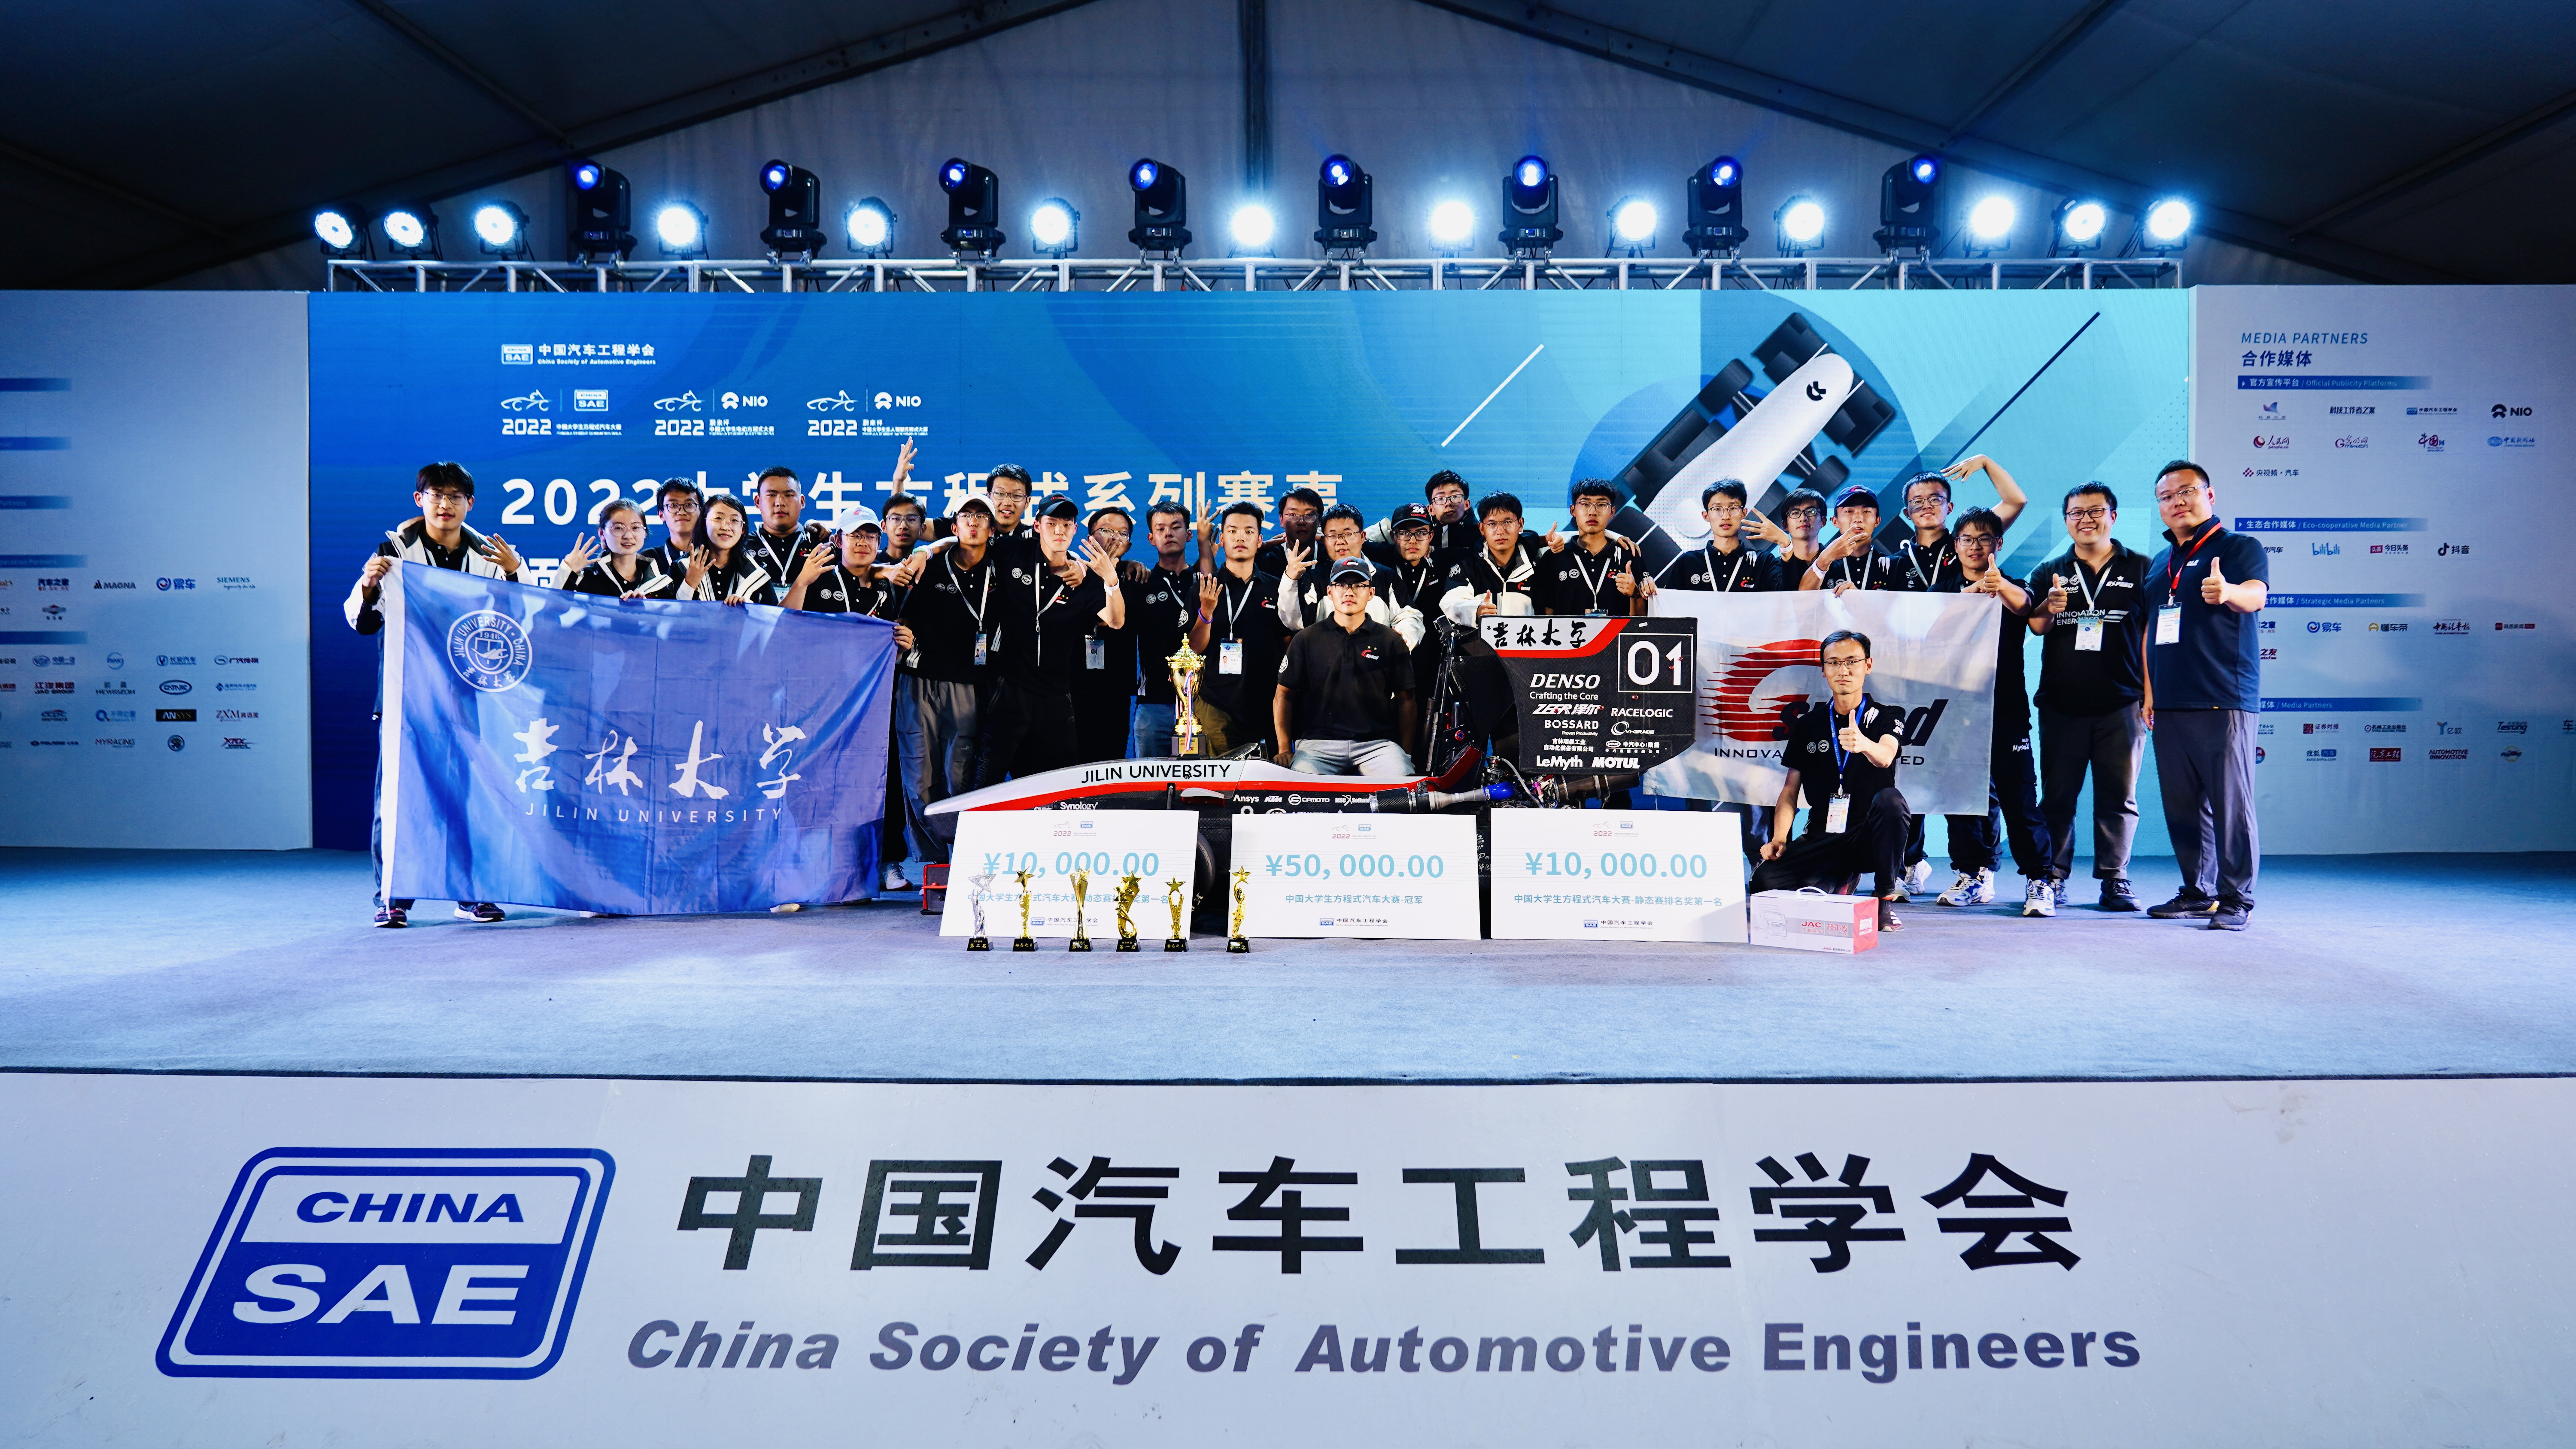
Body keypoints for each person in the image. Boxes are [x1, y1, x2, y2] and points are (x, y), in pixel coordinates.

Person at [345, 461, 521, 928]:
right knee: (398, 799)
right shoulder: (394, 552)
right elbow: (363, 623)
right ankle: (393, 897)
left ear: (470, 503)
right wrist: (369, 585)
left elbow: (518, 620)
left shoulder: (490, 556)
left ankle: (472, 893)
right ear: (419, 500)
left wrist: (514, 574)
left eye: (455, 496)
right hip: (407, 697)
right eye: (436, 495)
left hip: (467, 696)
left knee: (469, 797)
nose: (445, 504)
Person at [2140, 461, 2268, 931]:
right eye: (2167, 496)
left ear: (2209, 496)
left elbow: (2257, 594)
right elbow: (2150, 629)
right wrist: (2149, 692)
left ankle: (2237, 899)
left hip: (2222, 696)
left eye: (2187, 491)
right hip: (2169, 700)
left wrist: (2229, 591)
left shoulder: (2238, 547)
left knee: (2231, 805)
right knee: (2183, 807)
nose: (2177, 501)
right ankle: (2198, 892)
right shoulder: (2160, 563)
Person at [2026, 482, 2151, 911]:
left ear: (2112, 516)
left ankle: (2115, 878)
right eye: (2076, 513)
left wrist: (2150, 696)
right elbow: (2036, 625)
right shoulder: (2051, 570)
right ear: (2066, 521)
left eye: (2095, 511)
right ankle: (2053, 876)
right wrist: (2048, 607)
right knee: (2058, 798)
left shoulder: (2142, 567)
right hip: (2062, 704)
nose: (2086, 520)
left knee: (2118, 796)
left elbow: (2150, 636)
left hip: (2123, 703)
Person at [1927, 507, 2056, 916]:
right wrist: (1969, 596)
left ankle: (2040, 880)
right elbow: (1930, 632)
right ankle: (1971, 875)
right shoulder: (1943, 589)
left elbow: (2026, 608)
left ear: (1998, 544)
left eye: (1985, 539)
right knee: (1961, 799)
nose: (1975, 546)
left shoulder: (2012, 585)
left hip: (2007, 711)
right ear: (1956, 545)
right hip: (1956, 711)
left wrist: (1998, 586)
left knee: (2020, 799)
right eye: (1967, 539)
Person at [1748, 630, 1911, 932]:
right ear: (1824, 670)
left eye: (1852, 661)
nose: (1843, 670)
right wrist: (1780, 838)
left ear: (1868, 665)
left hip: (1867, 837)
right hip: (1824, 834)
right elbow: (1790, 791)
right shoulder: (1808, 725)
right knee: (1763, 883)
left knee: (1892, 801)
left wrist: (1864, 744)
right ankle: (1838, 878)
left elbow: (1886, 756)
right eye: (1834, 663)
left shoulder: (1888, 715)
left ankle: (1883, 899)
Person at [971, 494, 1123, 786]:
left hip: (1055, 697)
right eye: (1052, 523)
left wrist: (1111, 581)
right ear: (1037, 526)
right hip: (1008, 690)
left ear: (1075, 529)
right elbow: (965, 542)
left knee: (1058, 790)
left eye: (1066, 524)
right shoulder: (1012, 552)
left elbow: (1116, 621)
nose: (1059, 531)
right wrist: (925, 553)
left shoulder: (1085, 578)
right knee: (985, 783)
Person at [895, 491, 1000, 865]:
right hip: (918, 682)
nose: (974, 522)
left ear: (992, 529)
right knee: (918, 775)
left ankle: (963, 858)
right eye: (966, 516)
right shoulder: (929, 567)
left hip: (969, 685)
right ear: (954, 527)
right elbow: (900, 615)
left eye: (982, 517)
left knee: (961, 777)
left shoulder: (1002, 569)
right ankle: (932, 865)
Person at [1275, 558, 1417, 776]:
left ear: (1371, 593)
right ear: (1330, 592)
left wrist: (1406, 754)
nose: (1349, 592)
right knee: (1301, 790)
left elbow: (1407, 700)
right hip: (1317, 746)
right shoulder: (1306, 639)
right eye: (1341, 585)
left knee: (1403, 786)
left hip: (1378, 746)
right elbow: (1283, 695)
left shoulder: (1390, 640)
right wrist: (1284, 749)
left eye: (1358, 585)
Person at [1188, 500, 1292, 755]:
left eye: (1249, 531)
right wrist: (1206, 613)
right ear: (1222, 539)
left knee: (1264, 779)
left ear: (1259, 541)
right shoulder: (1204, 587)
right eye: (1233, 531)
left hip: (1266, 703)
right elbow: (1192, 651)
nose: (1240, 538)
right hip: (1216, 704)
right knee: (1222, 779)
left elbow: (1288, 645)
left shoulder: (1278, 588)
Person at [1278, 503, 1428, 650]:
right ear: (1324, 541)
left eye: (1348, 534)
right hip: (1327, 662)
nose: (1340, 542)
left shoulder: (1386, 577)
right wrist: (1290, 579)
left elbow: (1410, 617)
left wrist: (1402, 637)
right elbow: (1295, 622)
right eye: (1333, 536)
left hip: (1377, 661)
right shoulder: (1314, 579)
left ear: (1363, 537)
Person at [1071, 505, 1143, 764]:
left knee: (1110, 765)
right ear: (1090, 538)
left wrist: (1114, 572)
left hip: (1115, 692)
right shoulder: (1073, 574)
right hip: (1072, 689)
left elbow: (1113, 621)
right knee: (1070, 768)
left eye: (1122, 534)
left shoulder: (1135, 580)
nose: (1114, 538)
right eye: (1106, 531)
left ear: (1129, 545)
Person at [1128, 502, 1200, 757]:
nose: (1168, 534)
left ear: (1189, 535)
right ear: (1151, 538)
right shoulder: (1140, 582)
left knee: (1199, 781)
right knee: (1150, 781)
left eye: (1176, 527)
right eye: (1160, 529)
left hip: (1200, 704)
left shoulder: (1203, 581)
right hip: (1153, 705)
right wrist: (1124, 564)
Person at [1534, 479, 1653, 615]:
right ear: (1573, 510)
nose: (1593, 512)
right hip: (1569, 631)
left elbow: (1644, 620)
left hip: (1619, 631)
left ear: (1612, 512)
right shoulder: (1554, 557)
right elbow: (1546, 615)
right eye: (1585, 504)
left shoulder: (1629, 555)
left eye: (1601, 505)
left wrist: (1635, 594)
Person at [1659, 479, 1781, 593]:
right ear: (1706, 516)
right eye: (1717, 509)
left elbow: (1788, 593)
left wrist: (1786, 544)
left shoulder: (1763, 562)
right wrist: (1650, 592)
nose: (1726, 516)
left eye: (1733, 508)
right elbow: (1669, 605)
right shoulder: (1687, 562)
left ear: (1743, 513)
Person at [782, 506, 894, 617]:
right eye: (854, 536)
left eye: (871, 537)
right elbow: (783, 623)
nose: (862, 543)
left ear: (878, 543)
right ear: (838, 541)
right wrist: (802, 583)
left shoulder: (888, 589)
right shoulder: (816, 581)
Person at [553, 500, 674, 599]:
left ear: (645, 532)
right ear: (602, 533)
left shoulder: (661, 583)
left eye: (636, 528)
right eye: (618, 528)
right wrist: (566, 572)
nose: (628, 536)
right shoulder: (586, 578)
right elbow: (552, 611)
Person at [1797, 485, 1902, 593]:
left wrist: (1857, 598)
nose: (1858, 519)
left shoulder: (1896, 565)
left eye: (1866, 511)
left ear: (1877, 521)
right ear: (1835, 522)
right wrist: (1825, 559)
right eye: (1849, 511)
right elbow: (1804, 596)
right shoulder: (1823, 564)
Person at [1367, 470, 1477, 570]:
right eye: (1440, 498)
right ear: (1431, 509)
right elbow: (1364, 540)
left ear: (1467, 504)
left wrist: (1436, 552)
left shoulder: (1481, 533)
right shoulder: (1418, 526)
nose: (1449, 503)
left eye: (1455, 497)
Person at [677, 494, 778, 604]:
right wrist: (690, 584)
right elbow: (669, 612)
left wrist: (749, 609)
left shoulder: (757, 575)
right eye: (718, 518)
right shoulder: (682, 567)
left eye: (735, 520)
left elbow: (772, 614)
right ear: (704, 523)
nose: (726, 527)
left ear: (743, 529)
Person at [744, 466, 832, 588]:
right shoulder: (742, 547)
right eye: (772, 495)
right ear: (758, 502)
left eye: (789, 495)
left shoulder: (821, 544)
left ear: (802, 502)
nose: (780, 503)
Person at [1744, 486, 1827, 585]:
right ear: (1785, 525)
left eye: (1811, 512)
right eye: (1795, 513)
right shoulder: (1774, 568)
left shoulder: (1837, 562)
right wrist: (1785, 545)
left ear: (1823, 521)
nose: (1803, 518)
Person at [1252, 485, 1326, 576]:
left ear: (1320, 520)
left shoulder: (1330, 556)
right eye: (1293, 515)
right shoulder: (1264, 561)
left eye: (1309, 515)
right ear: (1281, 520)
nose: (1301, 522)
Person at [650, 477, 705, 576]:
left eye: (689, 505)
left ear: (701, 512)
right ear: (661, 515)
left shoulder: (713, 556)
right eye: (673, 505)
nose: (682, 512)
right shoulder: (649, 560)